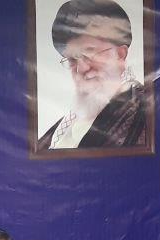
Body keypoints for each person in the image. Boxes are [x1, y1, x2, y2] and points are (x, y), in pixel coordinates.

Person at [37, 0, 148, 151]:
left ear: (120, 55)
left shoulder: (145, 113)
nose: (81, 69)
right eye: (72, 60)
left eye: (89, 54)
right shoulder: (64, 125)